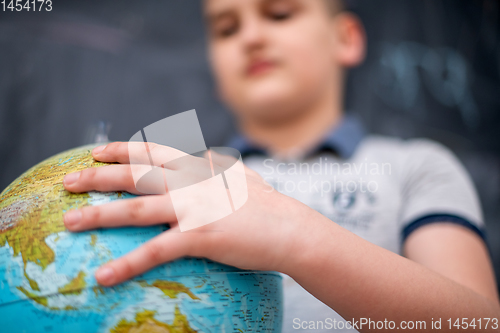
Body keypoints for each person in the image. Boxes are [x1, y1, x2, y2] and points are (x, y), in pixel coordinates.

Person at [62, 0, 500, 331]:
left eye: (280, 14)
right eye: (227, 29)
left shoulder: (417, 166)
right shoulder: (184, 175)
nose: (251, 37)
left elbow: (478, 324)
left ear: (346, 39)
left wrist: (291, 232)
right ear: (215, 69)